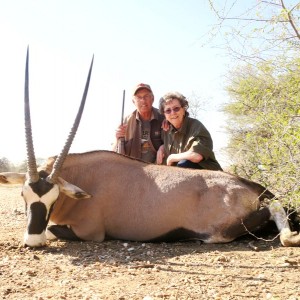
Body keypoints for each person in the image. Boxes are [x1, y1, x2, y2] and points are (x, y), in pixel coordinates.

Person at [156, 91, 223, 171]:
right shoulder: (166, 130)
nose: (172, 113)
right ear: (164, 114)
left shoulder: (196, 126)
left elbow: (196, 156)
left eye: (176, 108)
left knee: (184, 164)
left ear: (183, 109)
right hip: (182, 177)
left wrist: (172, 157)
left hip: (209, 174)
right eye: (168, 110)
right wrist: (161, 148)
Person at [112, 83, 164, 163]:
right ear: (133, 101)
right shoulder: (125, 122)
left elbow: (173, 143)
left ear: (152, 99)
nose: (143, 100)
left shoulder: (164, 117)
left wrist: (163, 147)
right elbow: (114, 152)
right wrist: (117, 138)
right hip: (132, 170)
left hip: (158, 169)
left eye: (146, 96)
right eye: (139, 97)